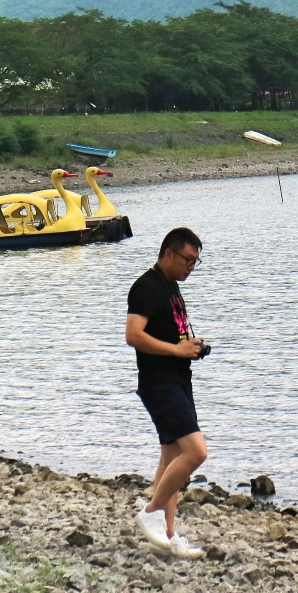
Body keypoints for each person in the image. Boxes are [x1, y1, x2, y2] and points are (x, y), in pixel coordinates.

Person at [126, 226, 210, 560]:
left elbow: (169, 334)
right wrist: (176, 352)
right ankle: (150, 512)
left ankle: (169, 534)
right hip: (159, 383)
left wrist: (190, 346)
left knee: (173, 458)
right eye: (188, 260)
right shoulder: (146, 286)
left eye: (196, 262)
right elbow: (133, 335)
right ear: (169, 254)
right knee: (195, 453)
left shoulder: (170, 286)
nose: (191, 266)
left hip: (178, 380)